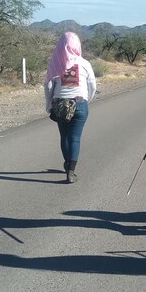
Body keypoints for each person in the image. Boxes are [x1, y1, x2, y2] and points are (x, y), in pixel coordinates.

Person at [44, 32, 96, 184]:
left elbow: (48, 86)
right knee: (75, 138)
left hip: (60, 105)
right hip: (80, 104)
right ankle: (71, 172)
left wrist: (49, 105)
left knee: (64, 136)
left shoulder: (55, 63)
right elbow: (92, 86)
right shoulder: (85, 64)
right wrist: (86, 100)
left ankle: (67, 164)